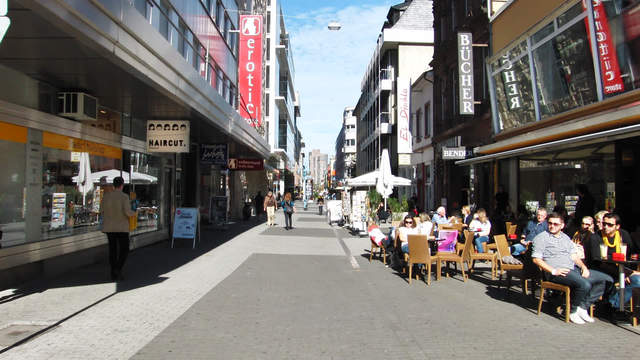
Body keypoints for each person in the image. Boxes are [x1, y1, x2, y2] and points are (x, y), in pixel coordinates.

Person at [532, 212, 613, 324]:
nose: (552, 226)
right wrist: (553, 270)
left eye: (556, 224)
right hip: (556, 272)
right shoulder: (541, 238)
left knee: (606, 280)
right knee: (584, 284)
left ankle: (583, 307)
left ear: (562, 225)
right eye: (550, 223)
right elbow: (536, 259)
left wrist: (584, 267)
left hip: (573, 269)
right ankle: (571, 311)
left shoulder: (565, 238)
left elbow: (574, 256)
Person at [100, 176, 137, 281]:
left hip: (109, 227)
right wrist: (135, 212)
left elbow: (101, 210)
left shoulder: (106, 196)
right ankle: (118, 268)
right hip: (121, 228)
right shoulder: (124, 197)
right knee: (124, 249)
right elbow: (128, 212)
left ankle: (113, 271)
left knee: (112, 250)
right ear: (122, 185)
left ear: (113, 185)